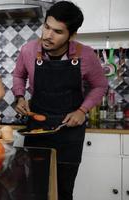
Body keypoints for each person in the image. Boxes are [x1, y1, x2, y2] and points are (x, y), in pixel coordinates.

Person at [12, 1, 108, 200]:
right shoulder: (28, 50)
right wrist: (19, 96)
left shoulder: (86, 55)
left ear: (71, 35)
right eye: (46, 27)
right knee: (34, 189)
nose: (47, 36)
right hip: (37, 129)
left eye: (57, 31)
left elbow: (100, 85)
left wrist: (82, 111)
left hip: (69, 134)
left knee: (63, 191)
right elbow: (18, 75)